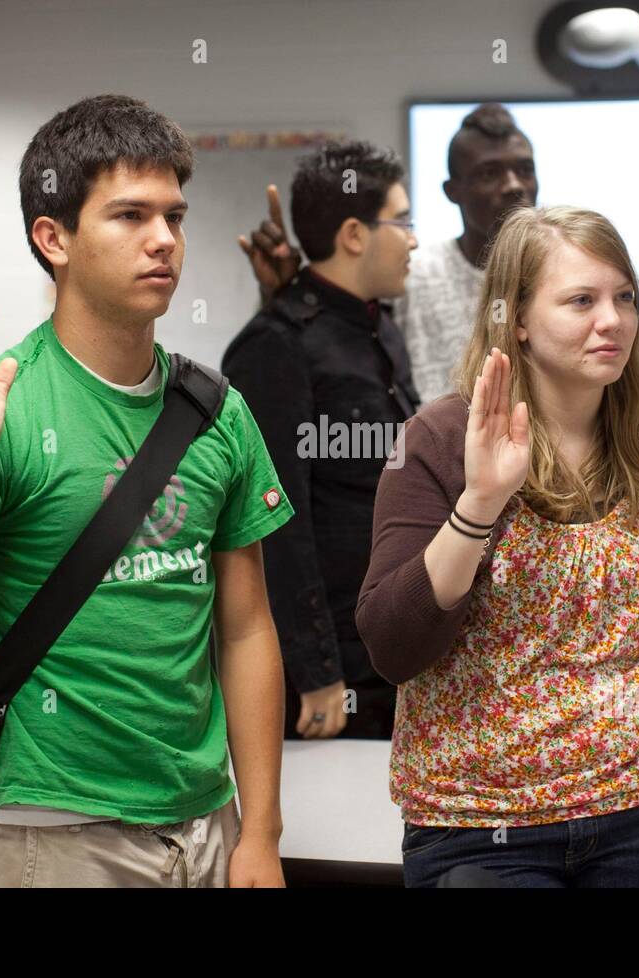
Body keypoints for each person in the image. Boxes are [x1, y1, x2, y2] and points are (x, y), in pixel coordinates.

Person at [0, 95, 291, 888]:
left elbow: (245, 629)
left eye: (173, 215)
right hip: (50, 831)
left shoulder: (216, 411)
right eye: (129, 215)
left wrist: (259, 829)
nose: (164, 240)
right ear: (52, 238)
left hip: (205, 822)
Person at [356, 206, 639, 887]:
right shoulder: (439, 439)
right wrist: (480, 504)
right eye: (580, 300)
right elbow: (391, 643)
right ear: (516, 319)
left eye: (623, 298)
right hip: (482, 829)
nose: (611, 320)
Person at [223, 140, 419, 740]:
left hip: (393, 646)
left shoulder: (379, 328)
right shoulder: (277, 345)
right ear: (355, 235)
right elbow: (276, 523)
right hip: (331, 671)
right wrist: (316, 671)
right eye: (403, 222)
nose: (413, 240)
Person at [239, 102, 536, 403]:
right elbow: (309, 334)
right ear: (452, 190)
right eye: (489, 173)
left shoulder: (555, 274)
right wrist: (280, 292)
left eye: (525, 170)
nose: (514, 185)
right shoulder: (408, 274)